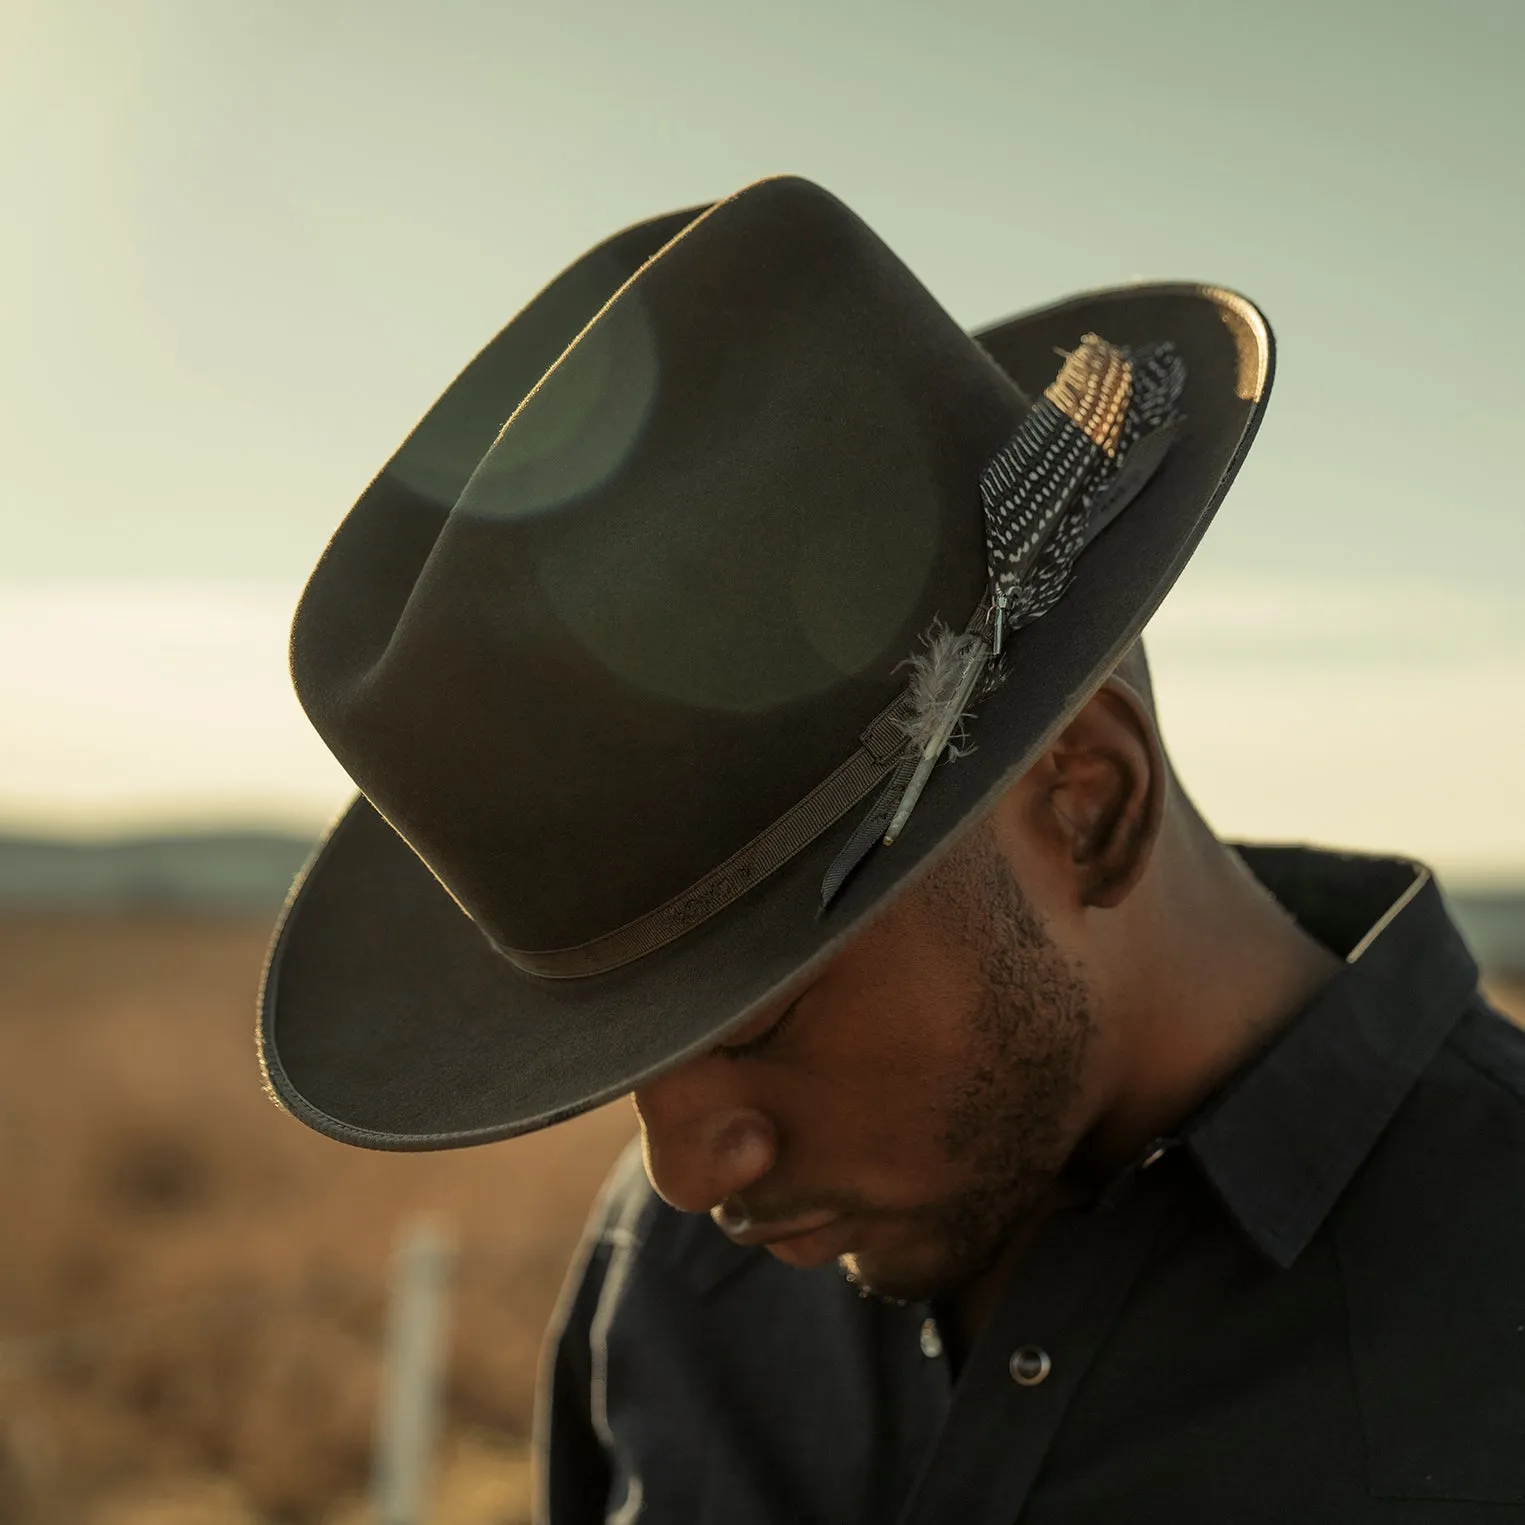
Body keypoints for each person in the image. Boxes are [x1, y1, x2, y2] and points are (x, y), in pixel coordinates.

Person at [258, 177, 1525, 1521]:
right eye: (619, 1059)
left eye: (755, 1018)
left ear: (1086, 804)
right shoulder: (678, 1283)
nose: (688, 1170)